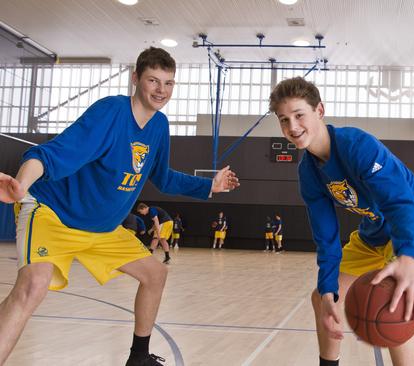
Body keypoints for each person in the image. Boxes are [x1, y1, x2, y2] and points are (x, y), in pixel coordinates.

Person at [0, 46, 239, 366]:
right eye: (153, 81)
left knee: (155, 275)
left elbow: (163, 178)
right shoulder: (110, 112)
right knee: (32, 287)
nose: (161, 91)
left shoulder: (159, 126)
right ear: (136, 78)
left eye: (168, 83)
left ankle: (138, 358)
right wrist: (22, 184)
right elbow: (51, 154)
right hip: (54, 215)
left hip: (101, 230)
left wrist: (209, 185)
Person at [269, 77, 414, 366]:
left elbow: (400, 204)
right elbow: (326, 237)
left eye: (299, 115)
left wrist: (409, 259)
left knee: (395, 308)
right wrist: (327, 290)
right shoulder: (308, 173)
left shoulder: (357, 146)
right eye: (284, 120)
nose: (293, 127)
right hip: (373, 232)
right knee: (323, 297)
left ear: (319, 111)